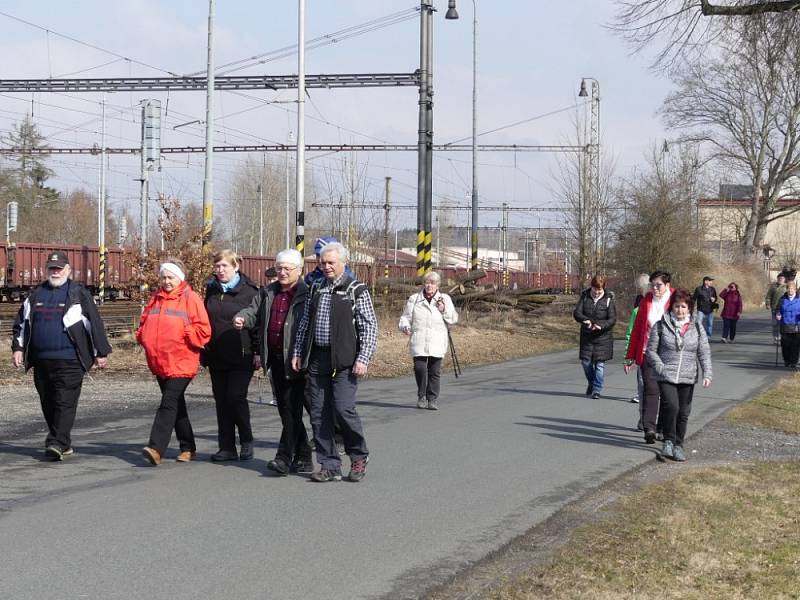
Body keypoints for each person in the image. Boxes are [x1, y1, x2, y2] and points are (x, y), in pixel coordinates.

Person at [11, 251, 112, 461]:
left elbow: (95, 323)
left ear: (68, 270)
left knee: (64, 401)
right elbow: (22, 323)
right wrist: (18, 348)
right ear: (46, 270)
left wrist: (101, 352)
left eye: (59, 268)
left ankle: (57, 443)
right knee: (48, 401)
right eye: (52, 269)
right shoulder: (36, 294)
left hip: (71, 360)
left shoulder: (78, 294)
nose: (55, 272)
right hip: (41, 360)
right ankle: (62, 442)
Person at [291, 242, 377, 483]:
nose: (326, 267)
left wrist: (363, 358)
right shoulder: (316, 288)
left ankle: (359, 455)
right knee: (318, 414)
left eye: (331, 262)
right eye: (323, 262)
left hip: (346, 361)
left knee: (343, 408)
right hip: (318, 358)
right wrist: (298, 351)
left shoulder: (356, 290)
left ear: (343, 263)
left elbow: (369, 326)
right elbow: (305, 323)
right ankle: (329, 464)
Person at [234, 248, 313, 476]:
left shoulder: (306, 294)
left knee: (292, 409)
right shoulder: (268, 292)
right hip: (275, 359)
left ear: (299, 270)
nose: (282, 272)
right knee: (286, 409)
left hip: (297, 361)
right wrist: (242, 318)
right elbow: (253, 311)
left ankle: (283, 457)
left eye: (288, 268)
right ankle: (305, 456)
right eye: (279, 268)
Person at [137, 259, 211, 465]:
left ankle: (156, 447)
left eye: (171, 277)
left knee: (168, 403)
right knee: (176, 405)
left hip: (182, 362)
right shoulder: (156, 298)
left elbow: (204, 331)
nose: (167, 281)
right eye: (164, 277)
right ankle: (188, 447)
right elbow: (144, 321)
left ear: (180, 278)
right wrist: (141, 335)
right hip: (160, 362)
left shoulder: (191, 298)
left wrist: (187, 332)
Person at [203, 250, 259, 462]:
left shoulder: (250, 292)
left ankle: (246, 439)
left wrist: (258, 352)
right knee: (221, 401)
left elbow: (257, 323)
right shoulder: (212, 290)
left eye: (225, 266)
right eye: (217, 266)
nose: (220, 270)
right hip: (216, 353)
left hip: (242, 354)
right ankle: (226, 447)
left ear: (236, 267)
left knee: (235, 397)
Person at [646, 288, 712, 462]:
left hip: (688, 376)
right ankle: (668, 440)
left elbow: (704, 351)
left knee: (683, 412)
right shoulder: (661, 325)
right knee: (672, 407)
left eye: (683, 307)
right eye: (676, 306)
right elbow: (651, 351)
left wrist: (707, 373)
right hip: (666, 374)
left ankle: (678, 445)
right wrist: (660, 366)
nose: (680, 310)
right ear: (671, 307)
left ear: (689, 308)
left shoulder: (697, 327)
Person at [624, 270, 674, 444]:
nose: (655, 288)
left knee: (667, 394)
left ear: (667, 285)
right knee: (651, 390)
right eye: (652, 285)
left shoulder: (676, 300)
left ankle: (662, 427)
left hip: (669, 355)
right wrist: (630, 355)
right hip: (647, 353)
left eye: (658, 285)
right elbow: (637, 329)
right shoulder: (646, 301)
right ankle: (649, 428)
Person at [398, 271, 459, 410]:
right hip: (419, 339)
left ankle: (432, 399)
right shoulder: (414, 299)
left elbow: (453, 318)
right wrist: (405, 326)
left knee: (434, 370)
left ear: (437, 285)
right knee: (419, 368)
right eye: (427, 282)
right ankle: (421, 396)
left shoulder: (444, 299)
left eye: (432, 283)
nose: (429, 285)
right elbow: (405, 317)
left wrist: (443, 310)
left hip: (437, 340)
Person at [572, 274, 616, 400]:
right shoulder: (585, 297)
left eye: (599, 290)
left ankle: (597, 389)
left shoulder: (608, 300)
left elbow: (612, 319)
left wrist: (600, 325)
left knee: (599, 365)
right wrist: (585, 320)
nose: (596, 292)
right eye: (594, 289)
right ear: (591, 287)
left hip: (603, 337)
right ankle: (591, 382)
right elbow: (577, 313)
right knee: (586, 363)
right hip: (587, 336)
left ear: (604, 288)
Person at [624, 274, 651, 418]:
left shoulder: (666, 307)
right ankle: (645, 420)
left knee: (654, 389)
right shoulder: (637, 309)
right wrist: (628, 357)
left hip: (660, 355)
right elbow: (631, 332)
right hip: (643, 354)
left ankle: (653, 422)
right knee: (643, 385)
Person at [776, 281, 800, 368]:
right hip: (785, 324)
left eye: (792, 289)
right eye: (789, 288)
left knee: (795, 345)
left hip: (796, 325)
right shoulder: (782, 299)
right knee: (785, 344)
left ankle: (793, 362)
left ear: (795, 289)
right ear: (787, 289)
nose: (790, 290)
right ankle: (787, 360)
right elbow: (778, 309)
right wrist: (778, 314)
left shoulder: (799, 299)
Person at [764, 273, 786, 343]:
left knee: (782, 324)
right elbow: (768, 296)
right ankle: (775, 337)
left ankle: (780, 337)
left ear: (784, 279)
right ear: (777, 279)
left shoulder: (787, 287)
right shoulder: (773, 287)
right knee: (775, 324)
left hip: (784, 309)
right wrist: (767, 304)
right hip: (775, 308)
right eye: (779, 278)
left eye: (782, 279)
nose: (781, 280)